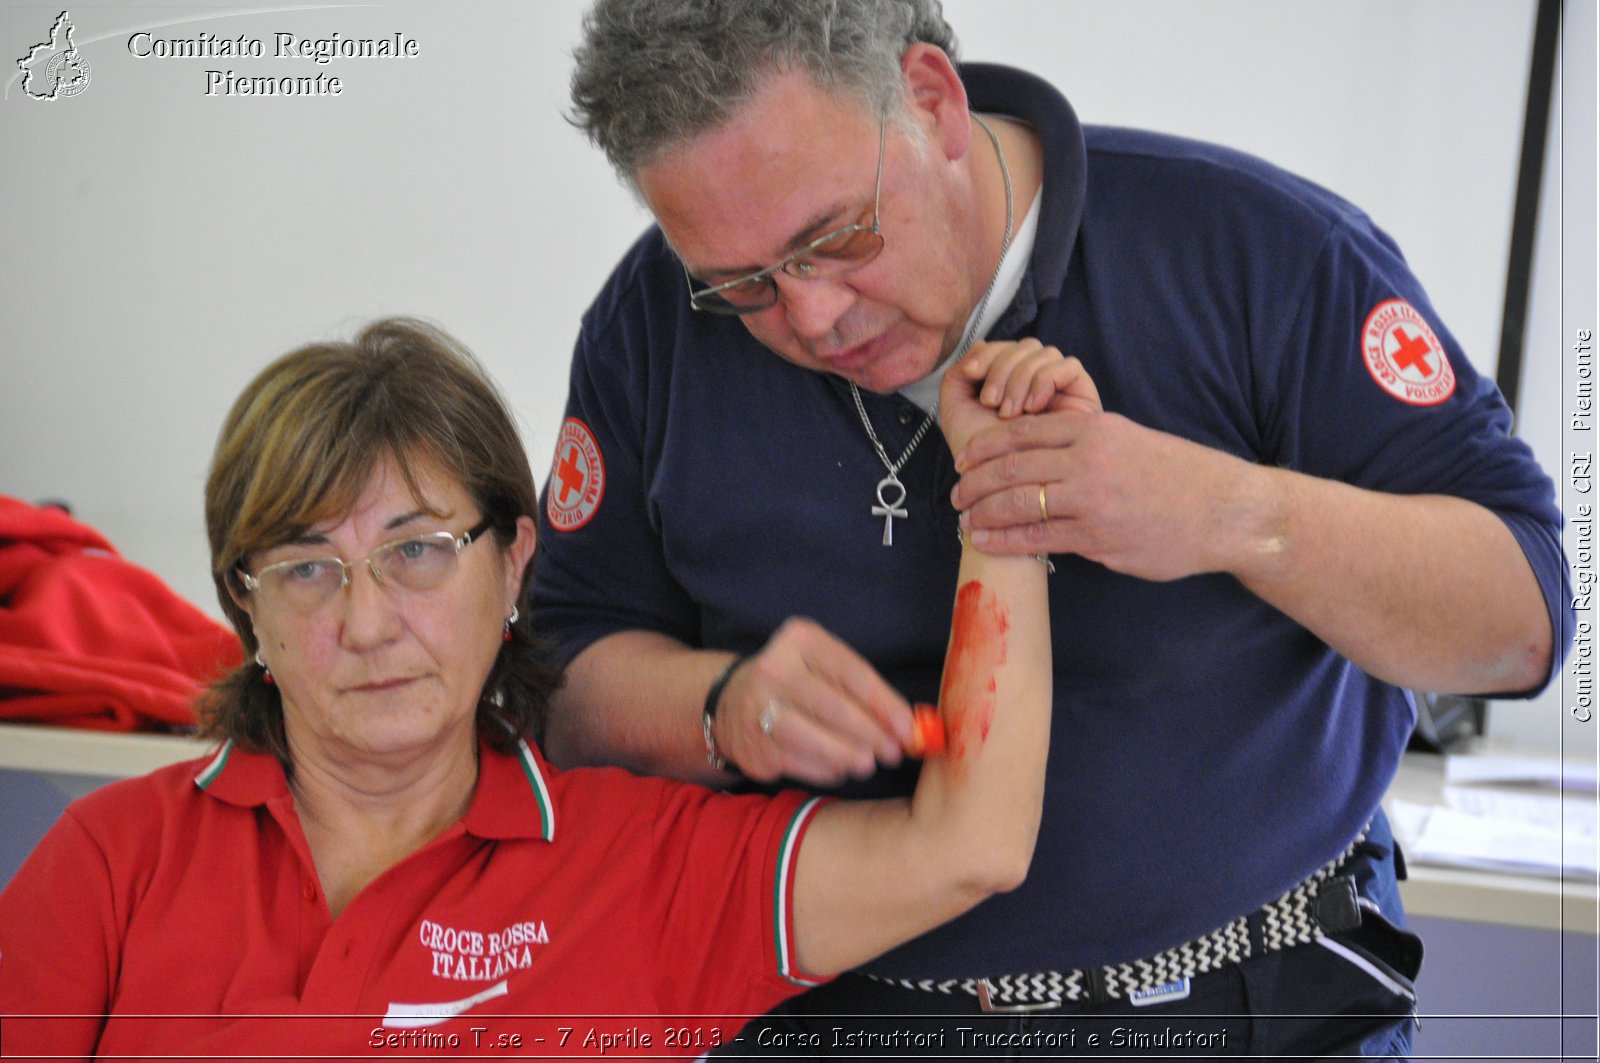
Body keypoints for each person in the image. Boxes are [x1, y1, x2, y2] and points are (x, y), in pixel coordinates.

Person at [534, 0, 1572, 1055]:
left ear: (933, 101)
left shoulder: (1259, 254)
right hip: (827, 1016)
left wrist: (1236, 517)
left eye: (835, 237)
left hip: (1249, 1006)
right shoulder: (648, 328)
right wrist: (717, 707)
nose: (809, 316)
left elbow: (1520, 621)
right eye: (742, 286)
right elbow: (557, 684)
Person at [0, 318, 1057, 1058]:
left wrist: (1005, 488)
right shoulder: (109, 859)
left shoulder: (638, 866)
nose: (367, 623)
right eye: (306, 568)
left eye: (418, 551)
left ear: (511, 568)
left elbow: (970, 846)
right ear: (249, 610)